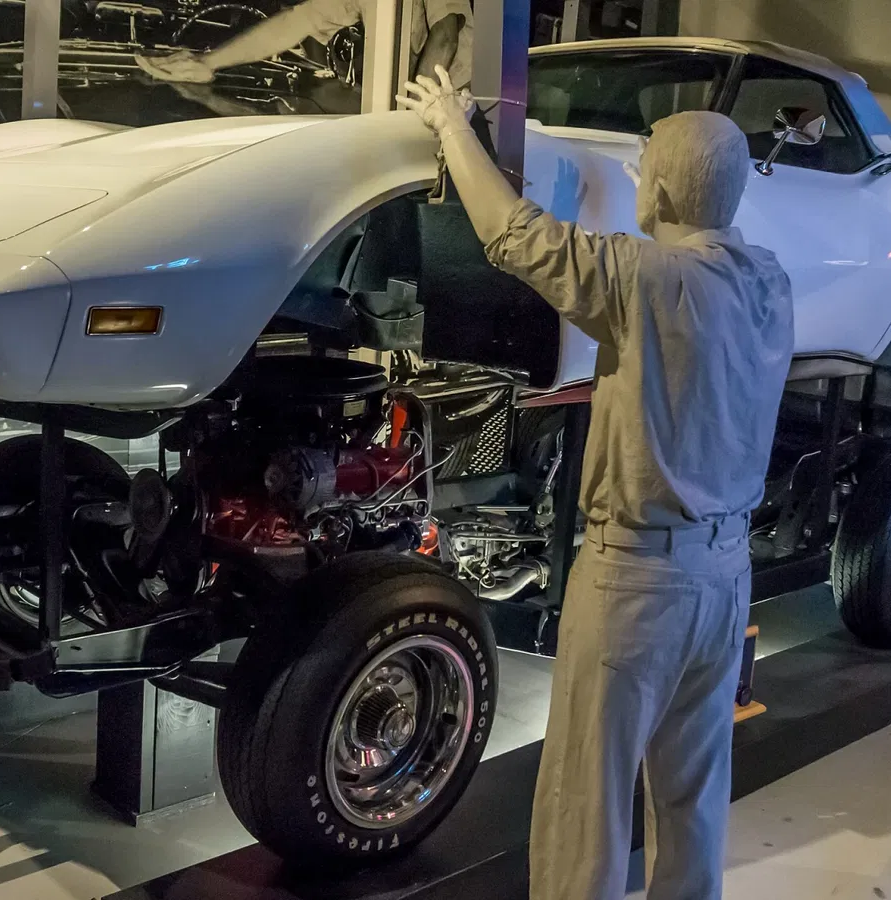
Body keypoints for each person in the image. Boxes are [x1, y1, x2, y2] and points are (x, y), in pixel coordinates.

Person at [399, 70, 795, 900]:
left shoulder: (641, 277)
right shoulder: (769, 283)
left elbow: (511, 235)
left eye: (644, 167)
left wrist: (451, 125)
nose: (635, 180)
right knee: (693, 801)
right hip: (725, 577)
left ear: (664, 189)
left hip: (638, 584)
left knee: (587, 806)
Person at [136, 0, 471, 89]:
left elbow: (445, 35)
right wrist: (206, 63)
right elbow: (298, 21)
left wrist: (413, 118)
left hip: (464, 103)